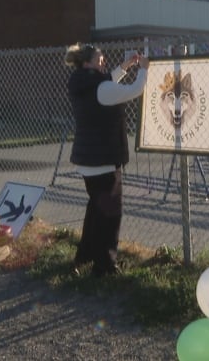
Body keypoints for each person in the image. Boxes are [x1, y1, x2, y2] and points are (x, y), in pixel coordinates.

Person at [64, 43, 149, 277]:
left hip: (88, 161)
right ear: (89, 62)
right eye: (100, 58)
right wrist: (143, 69)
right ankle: (104, 266)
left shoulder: (82, 82)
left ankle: (83, 257)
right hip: (103, 161)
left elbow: (108, 82)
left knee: (95, 211)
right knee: (110, 216)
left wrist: (125, 66)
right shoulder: (101, 88)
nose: (104, 61)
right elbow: (135, 90)